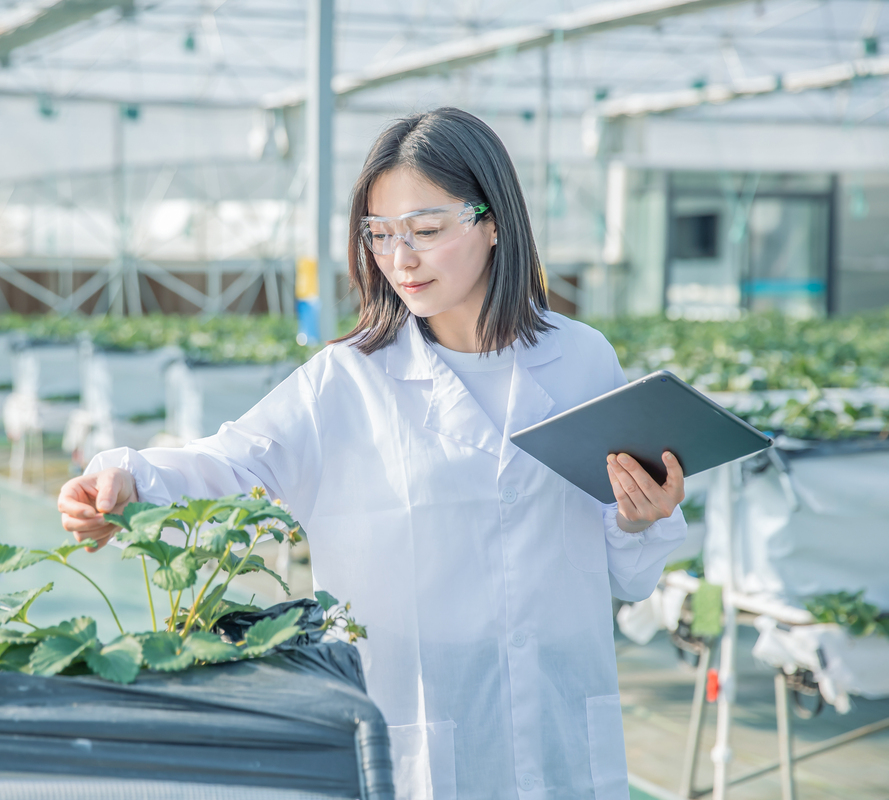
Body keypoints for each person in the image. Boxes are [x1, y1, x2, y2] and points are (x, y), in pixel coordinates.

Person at [58, 107, 686, 800]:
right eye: (380, 235)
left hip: (563, 717)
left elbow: (626, 578)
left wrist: (638, 520)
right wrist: (125, 478)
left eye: (424, 231)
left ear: (495, 221)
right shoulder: (347, 382)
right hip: (418, 724)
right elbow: (233, 463)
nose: (401, 260)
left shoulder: (581, 359)